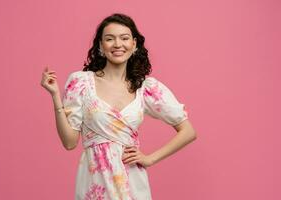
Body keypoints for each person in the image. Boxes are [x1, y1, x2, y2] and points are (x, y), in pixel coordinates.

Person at [41, 13, 197, 200]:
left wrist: (150, 158)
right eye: (109, 39)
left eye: (124, 38)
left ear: (134, 44)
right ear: (100, 45)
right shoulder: (81, 82)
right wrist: (55, 96)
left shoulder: (145, 88)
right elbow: (69, 142)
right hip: (94, 182)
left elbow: (188, 131)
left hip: (131, 181)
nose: (117, 44)